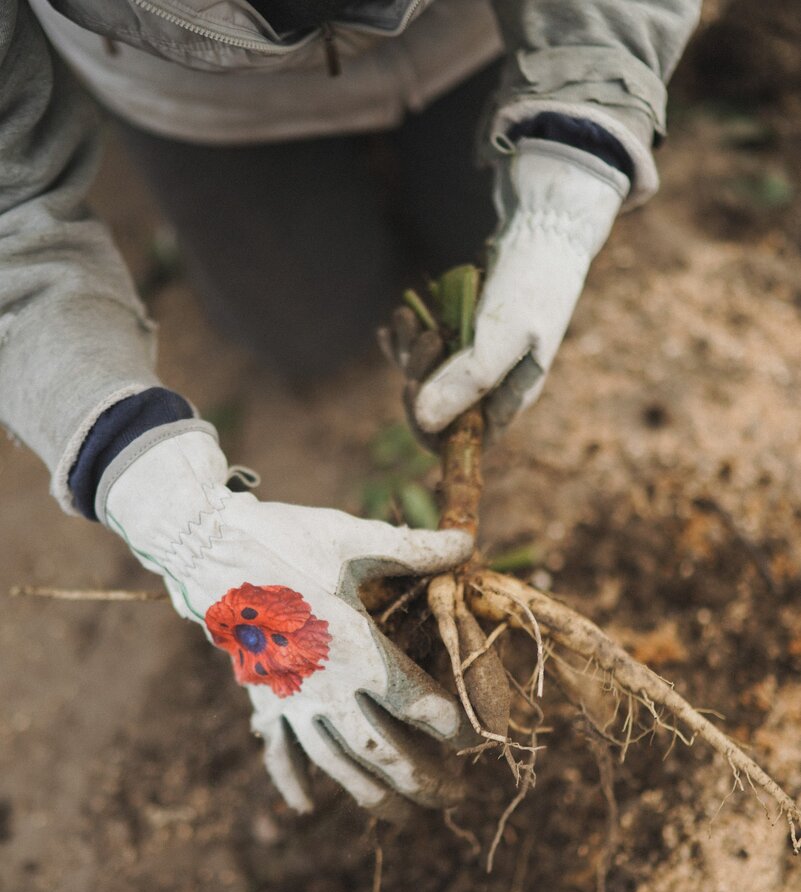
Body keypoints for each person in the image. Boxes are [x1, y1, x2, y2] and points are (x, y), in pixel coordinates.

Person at [0, 1, 700, 820]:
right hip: (201, 93)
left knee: (469, 236)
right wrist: (173, 512)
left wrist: (576, 148)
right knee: (308, 336)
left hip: (464, 30)